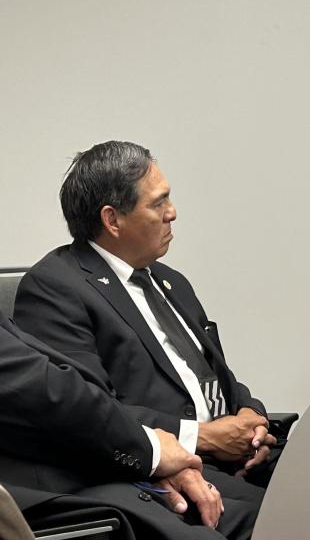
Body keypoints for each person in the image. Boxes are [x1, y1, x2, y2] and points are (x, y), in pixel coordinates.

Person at [14, 141, 277, 483]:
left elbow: (209, 375)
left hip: (238, 460)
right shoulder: (55, 287)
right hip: (165, 473)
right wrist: (202, 436)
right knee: (303, 521)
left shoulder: (169, 281)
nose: (173, 212)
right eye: (158, 202)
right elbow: (87, 409)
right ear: (112, 220)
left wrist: (251, 416)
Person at [0, 310, 259, 540]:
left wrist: (249, 410)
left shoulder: (171, 280)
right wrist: (153, 453)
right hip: (58, 497)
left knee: (272, 520)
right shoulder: (53, 284)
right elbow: (49, 394)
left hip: (107, 463)